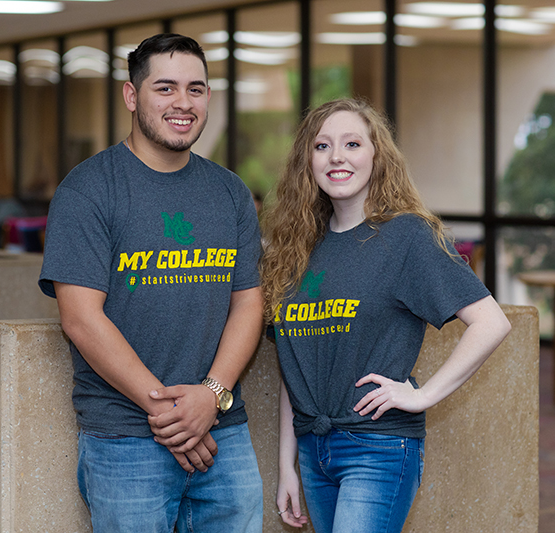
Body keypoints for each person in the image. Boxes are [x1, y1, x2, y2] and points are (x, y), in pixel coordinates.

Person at [38, 33, 264, 532]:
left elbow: (249, 303)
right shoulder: (88, 190)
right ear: (132, 95)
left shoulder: (230, 192)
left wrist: (210, 395)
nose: (183, 102)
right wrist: (173, 415)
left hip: (223, 435)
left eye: (196, 89)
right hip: (126, 439)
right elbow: (80, 318)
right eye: (165, 88)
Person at [259, 98, 511, 532]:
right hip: (314, 452)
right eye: (322, 146)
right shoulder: (295, 251)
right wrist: (288, 465)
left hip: (378, 449)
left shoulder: (406, 235)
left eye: (352, 143)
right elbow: (295, 365)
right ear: (307, 162)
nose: (337, 156)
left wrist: (422, 395)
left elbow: (491, 321)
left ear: (377, 156)